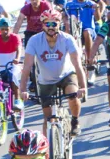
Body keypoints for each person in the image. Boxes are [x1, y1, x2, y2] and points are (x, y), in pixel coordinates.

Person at [19, 9, 87, 137]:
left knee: (72, 95)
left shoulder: (67, 39)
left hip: (66, 75)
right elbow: (27, 66)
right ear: (43, 25)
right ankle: (48, 148)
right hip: (45, 80)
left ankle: (75, 121)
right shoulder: (34, 40)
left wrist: (83, 87)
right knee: (48, 117)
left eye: (54, 24)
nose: (51, 27)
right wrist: (22, 90)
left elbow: (77, 64)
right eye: (47, 24)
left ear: (59, 24)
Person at [64, 0, 102, 86]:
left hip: (88, 29)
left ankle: (90, 60)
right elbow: (65, 16)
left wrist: (97, 8)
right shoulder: (70, 4)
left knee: (86, 32)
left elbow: (98, 18)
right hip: (75, 30)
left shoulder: (90, 3)